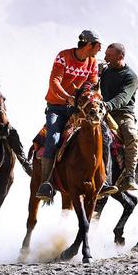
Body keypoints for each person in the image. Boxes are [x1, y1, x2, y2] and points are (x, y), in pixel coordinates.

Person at [35, 30, 116, 201]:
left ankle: (103, 182)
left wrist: (86, 99)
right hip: (56, 107)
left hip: (81, 109)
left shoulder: (93, 62)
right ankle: (46, 183)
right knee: (53, 139)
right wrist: (68, 98)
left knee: (106, 136)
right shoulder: (63, 57)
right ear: (89, 45)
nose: (100, 50)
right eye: (98, 46)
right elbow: (54, 81)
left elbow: (92, 84)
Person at [100, 43, 138, 192]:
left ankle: (130, 176)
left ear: (120, 56)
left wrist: (108, 106)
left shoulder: (131, 76)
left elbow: (123, 97)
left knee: (131, 136)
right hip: (102, 112)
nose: (105, 58)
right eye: (105, 54)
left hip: (122, 114)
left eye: (109, 56)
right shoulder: (104, 71)